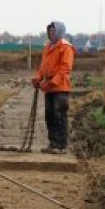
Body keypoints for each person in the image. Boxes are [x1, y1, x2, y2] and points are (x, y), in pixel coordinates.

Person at [33, 20, 75, 154]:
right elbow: (43, 67)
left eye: (54, 30)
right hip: (50, 87)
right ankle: (53, 143)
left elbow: (65, 69)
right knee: (49, 116)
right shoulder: (47, 47)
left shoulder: (66, 48)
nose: (51, 33)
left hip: (60, 87)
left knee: (59, 116)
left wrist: (51, 83)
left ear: (60, 32)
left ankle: (61, 145)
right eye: (50, 31)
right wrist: (38, 78)